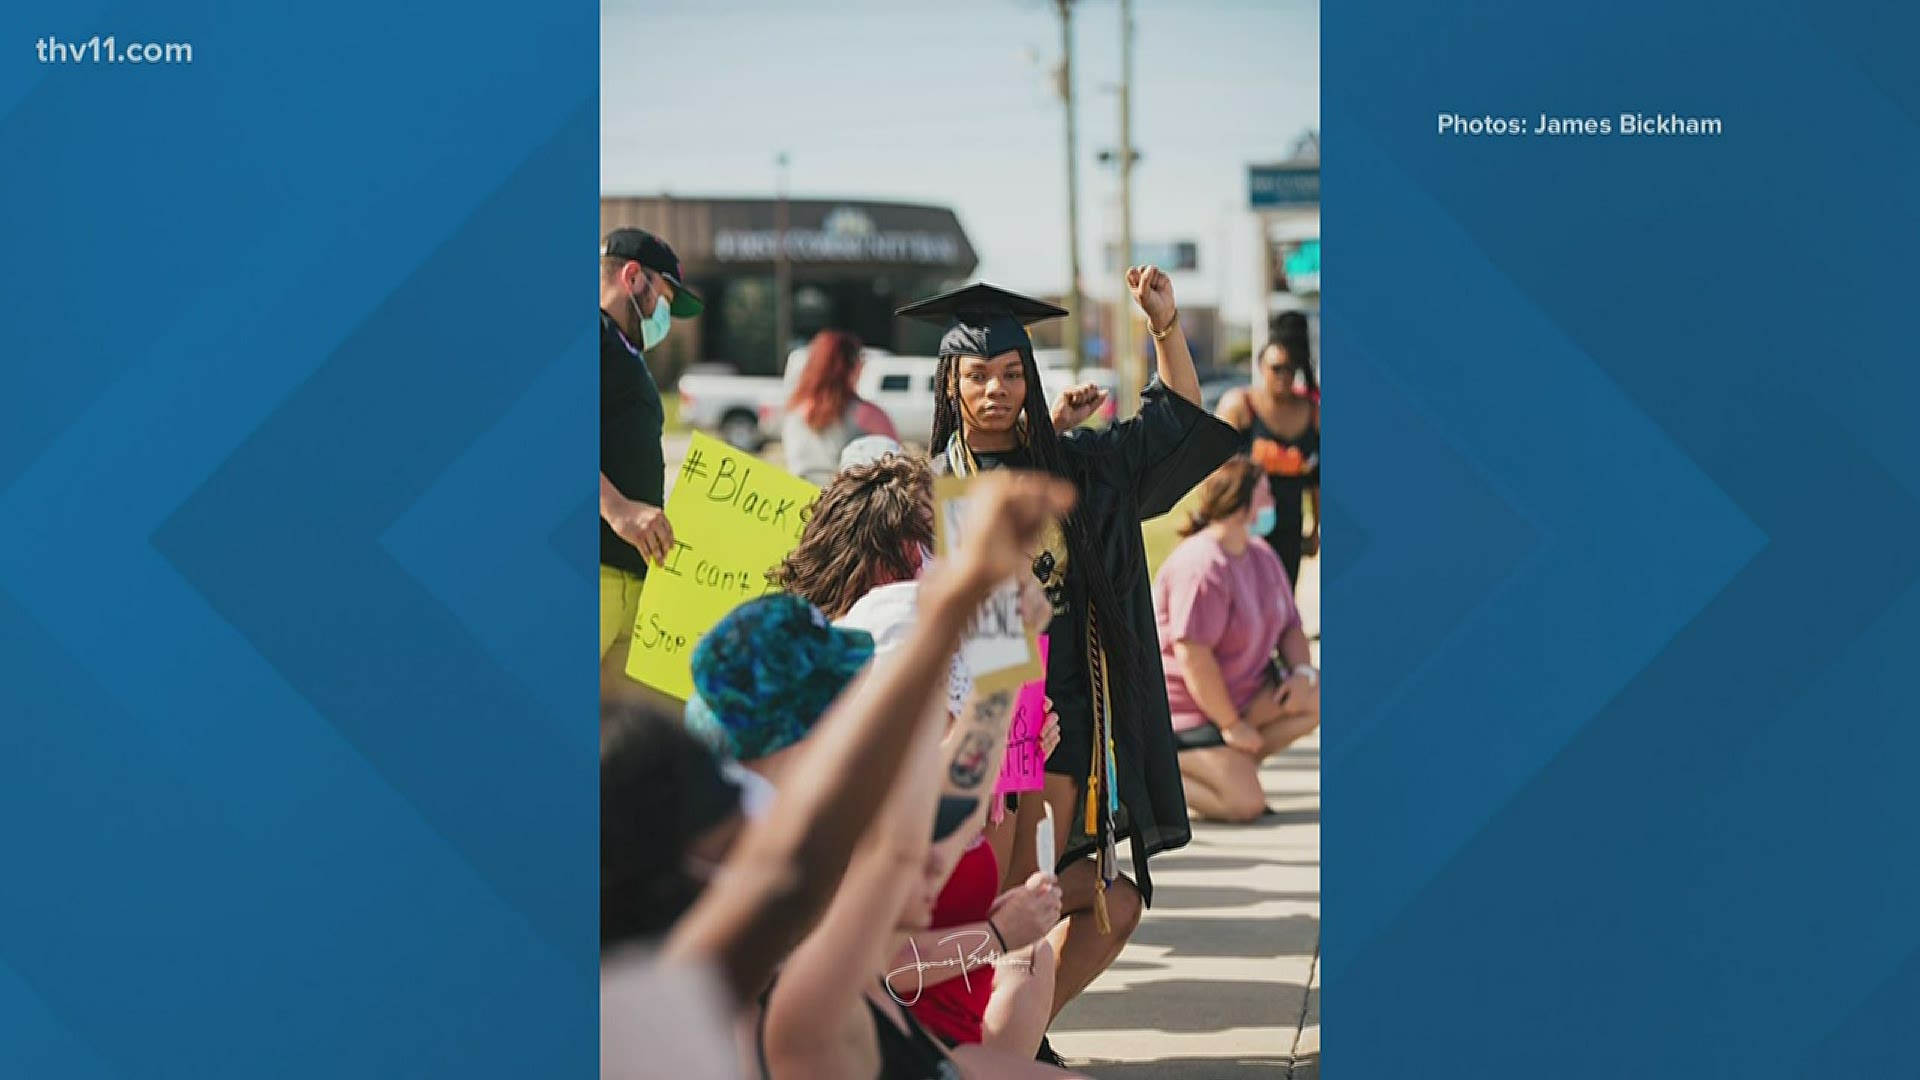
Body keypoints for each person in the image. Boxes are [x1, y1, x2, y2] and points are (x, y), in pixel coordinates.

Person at [897, 269, 1241, 1063]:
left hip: (1069, 717)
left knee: (1107, 902)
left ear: (1031, 376)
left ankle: (1020, 1030)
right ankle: (991, 1037)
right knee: (1016, 892)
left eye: (1011, 372)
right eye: (977, 374)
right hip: (979, 721)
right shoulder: (924, 489)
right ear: (951, 382)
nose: (995, 389)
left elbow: (1172, 425)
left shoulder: (1071, 469)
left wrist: (1163, 327)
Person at [773, 451, 1067, 1058]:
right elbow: (880, 966)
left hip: (943, 1020)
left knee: (1033, 965)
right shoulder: (851, 802)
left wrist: (1006, 755)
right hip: (885, 1042)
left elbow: (958, 800)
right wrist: (994, 934)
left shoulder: (923, 774)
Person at [1154, 458, 1321, 823]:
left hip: (1243, 697)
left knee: (1321, 695)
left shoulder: (1260, 553)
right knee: (1245, 804)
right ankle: (1152, 782)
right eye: (1266, 495)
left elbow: (1291, 625)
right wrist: (1230, 724)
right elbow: (1193, 655)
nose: (1274, 504)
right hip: (1188, 715)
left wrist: (1303, 672)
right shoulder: (1201, 566)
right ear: (1241, 503)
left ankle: (1231, 764)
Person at [600, 227, 702, 701]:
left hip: (635, 579)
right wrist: (618, 508)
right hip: (594, 571)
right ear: (632, 276)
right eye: (663, 297)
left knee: (629, 747)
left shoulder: (626, 351)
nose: (667, 316)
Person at [1217, 311, 1320, 586]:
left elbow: (1319, 481)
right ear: (1261, 365)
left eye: (1291, 369)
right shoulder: (1240, 406)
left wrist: (1317, 528)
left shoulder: (1313, 413)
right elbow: (1216, 472)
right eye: (1277, 368)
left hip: (1289, 530)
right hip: (1244, 529)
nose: (1283, 376)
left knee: (1281, 609)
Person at [782, 329, 900, 485]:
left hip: (800, 501)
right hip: (847, 505)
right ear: (852, 366)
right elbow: (900, 467)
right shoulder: (867, 415)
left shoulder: (795, 411)